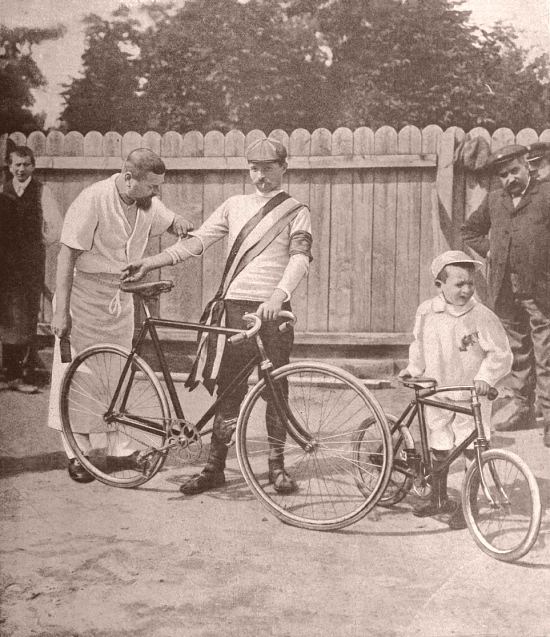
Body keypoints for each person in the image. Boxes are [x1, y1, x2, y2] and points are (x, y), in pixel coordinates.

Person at [122, 136, 313, 495]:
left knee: (277, 390)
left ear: (284, 168)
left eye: (268, 168)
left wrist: (278, 295)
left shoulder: (296, 209)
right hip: (234, 309)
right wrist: (151, 262)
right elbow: (196, 242)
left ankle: (277, 467)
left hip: (273, 310)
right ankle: (214, 469)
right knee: (229, 390)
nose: (260, 175)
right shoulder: (234, 205)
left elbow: (300, 258)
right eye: (254, 168)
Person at [48, 148, 193, 483]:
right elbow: (66, 258)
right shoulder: (92, 199)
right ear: (129, 178)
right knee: (78, 374)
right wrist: (61, 313)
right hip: (82, 297)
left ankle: (119, 447)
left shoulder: (145, 203)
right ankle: (77, 451)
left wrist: (181, 224)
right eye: (152, 186)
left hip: (119, 297)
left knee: (118, 374)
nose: (157, 193)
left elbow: (170, 221)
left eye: (159, 187)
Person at [399, 251, 512, 529]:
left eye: (470, 284)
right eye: (458, 284)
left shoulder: (481, 315)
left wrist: (486, 377)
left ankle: (469, 505)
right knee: (439, 441)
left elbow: (501, 353)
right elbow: (419, 344)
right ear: (440, 286)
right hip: (437, 389)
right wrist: (414, 369)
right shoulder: (427, 311)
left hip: (470, 394)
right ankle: (437, 498)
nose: (466, 290)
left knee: (473, 446)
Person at [462, 144, 550, 447]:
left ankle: (549, 420)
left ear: (528, 167)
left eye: (514, 171)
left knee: (546, 354)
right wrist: (492, 253)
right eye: (503, 174)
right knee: (518, 352)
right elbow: (469, 231)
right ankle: (523, 410)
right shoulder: (496, 199)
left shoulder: (545, 195)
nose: (510, 178)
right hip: (504, 289)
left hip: (540, 289)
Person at [0, 146, 63, 393]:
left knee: (27, 314)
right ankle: (8, 374)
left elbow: (56, 227)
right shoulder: (2, 191)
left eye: (26, 164)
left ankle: (25, 376)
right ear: (9, 166)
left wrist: (37, 243)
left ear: (33, 166)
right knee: (6, 314)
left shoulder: (41, 192)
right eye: (17, 164)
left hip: (29, 263)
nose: (21, 169)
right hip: (5, 263)